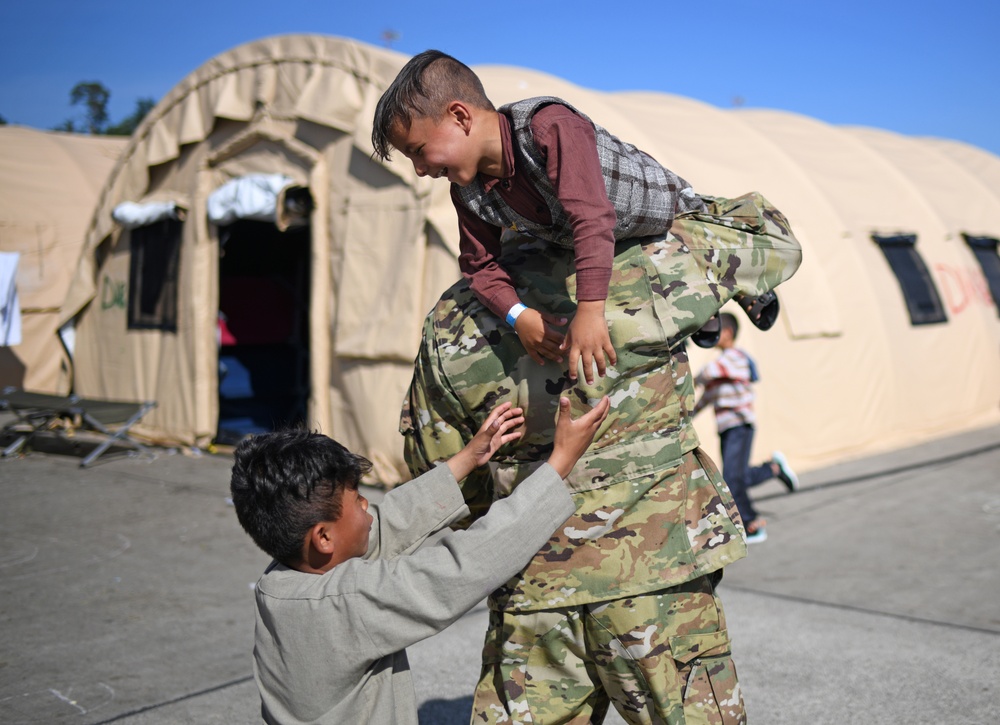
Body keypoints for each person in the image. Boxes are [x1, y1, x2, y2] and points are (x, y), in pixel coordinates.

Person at [399, 219, 800, 723]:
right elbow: (774, 240)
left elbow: (441, 472)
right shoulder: (655, 260)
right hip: (660, 576)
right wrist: (665, 206)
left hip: (533, 586)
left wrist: (508, 523)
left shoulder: (453, 315)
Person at [229, 397, 611, 725]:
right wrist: (558, 464)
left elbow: (387, 523)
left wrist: (465, 460)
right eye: (358, 499)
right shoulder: (346, 604)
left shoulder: (281, 581)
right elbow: (463, 566)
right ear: (324, 538)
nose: (368, 507)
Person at [372, 49, 711, 385]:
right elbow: (479, 265)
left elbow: (591, 219)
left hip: (666, 211)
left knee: (715, 253)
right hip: (575, 240)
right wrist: (518, 316)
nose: (419, 170)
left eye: (418, 151)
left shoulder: (548, 127)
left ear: (460, 117)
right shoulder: (467, 192)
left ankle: (729, 296)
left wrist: (590, 311)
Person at [693, 312, 799, 544]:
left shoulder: (735, 358)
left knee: (732, 478)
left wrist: (695, 379)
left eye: (715, 331)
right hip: (727, 429)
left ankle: (752, 523)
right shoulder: (723, 365)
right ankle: (773, 469)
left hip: (740, 426)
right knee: (735, 477)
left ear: (728, 333)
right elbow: (709, 395)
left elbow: (709, 373)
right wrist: (689, 413)